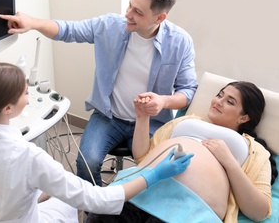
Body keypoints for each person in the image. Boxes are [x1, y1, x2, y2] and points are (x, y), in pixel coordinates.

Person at [0, 0, 198, 186]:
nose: (128, 14)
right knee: (87, 162)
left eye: (138, 12)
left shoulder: (179, 42)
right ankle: (97, 210)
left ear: (159, 18)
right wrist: (33, 23)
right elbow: (69, 30)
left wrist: (163, 102)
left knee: (151, 169)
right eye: (130, 5)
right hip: (108, 116)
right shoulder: (111, 26)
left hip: (151, 123)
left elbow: (188, 90)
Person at [0, 62, 194, 223]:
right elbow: (99, 200)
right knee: (70, 201)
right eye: (26, 93)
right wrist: (154, 174)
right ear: (7, 108)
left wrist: (23, 196)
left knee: (54, 191)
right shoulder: (28, 157)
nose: (29, 96)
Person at [87, 81, 278, 223]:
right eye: (219, 95)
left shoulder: (255, 150)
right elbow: (142, 157)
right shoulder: (185, 122)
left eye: (229, 101)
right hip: (141, 190)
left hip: (187, 212)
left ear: (244, 117)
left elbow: (259, 211)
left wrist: (229, 161)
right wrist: (142, 117)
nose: (218, 101)